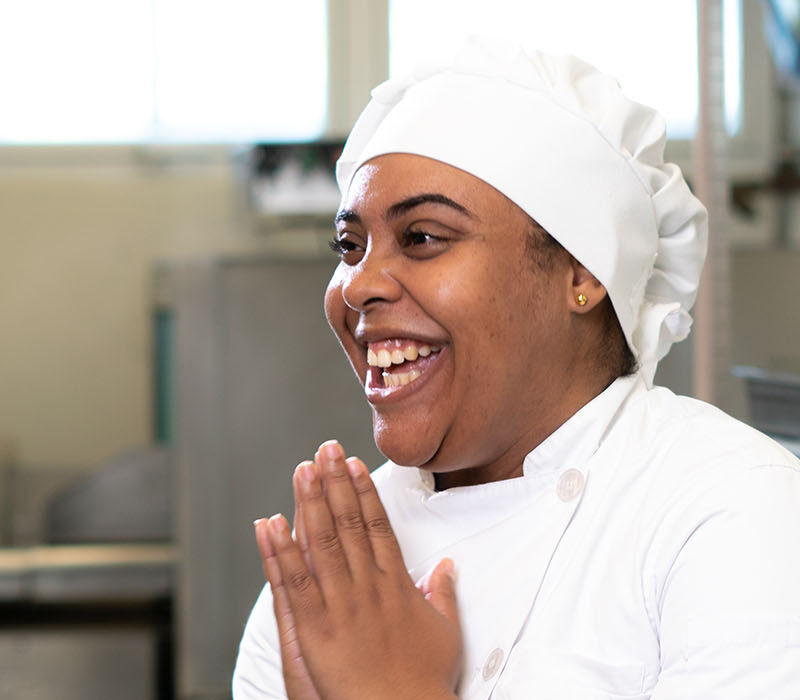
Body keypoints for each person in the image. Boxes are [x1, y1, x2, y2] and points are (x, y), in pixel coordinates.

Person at [233, 38, 800, 699]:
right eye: (350, 246)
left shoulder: (730, 513)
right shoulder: (340, 568)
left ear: (582, 269)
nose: (357, 286)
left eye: (420, 237)